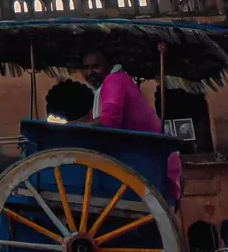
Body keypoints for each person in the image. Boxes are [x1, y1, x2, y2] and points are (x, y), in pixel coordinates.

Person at [76, 50, 182, 203]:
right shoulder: (109, 85)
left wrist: (69, 126)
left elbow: (109, 120)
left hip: (150, 164)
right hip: (151, 161)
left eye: (96, 66)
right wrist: (71, 123)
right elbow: (93, 118)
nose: (90, 72)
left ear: (108, 65)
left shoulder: (114, 82)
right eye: (86, 68)